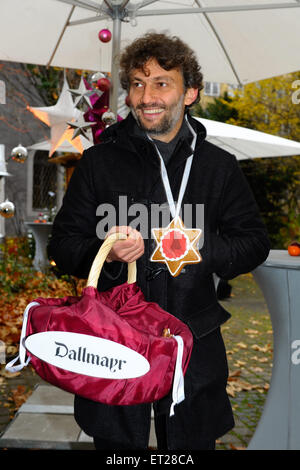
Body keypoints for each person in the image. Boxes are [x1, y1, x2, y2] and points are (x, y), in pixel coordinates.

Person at [48, 32, 270, 451]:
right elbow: (63, 244)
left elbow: (254, 243)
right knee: (118, 450)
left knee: (188, 446)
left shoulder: (218, 167)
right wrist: (107, 253)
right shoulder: (99, 162)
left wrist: (200, 249)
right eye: (136, 83)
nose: (146, 95)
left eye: (161, 83)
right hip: (113, 342)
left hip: (193, 342)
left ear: (190, 93)